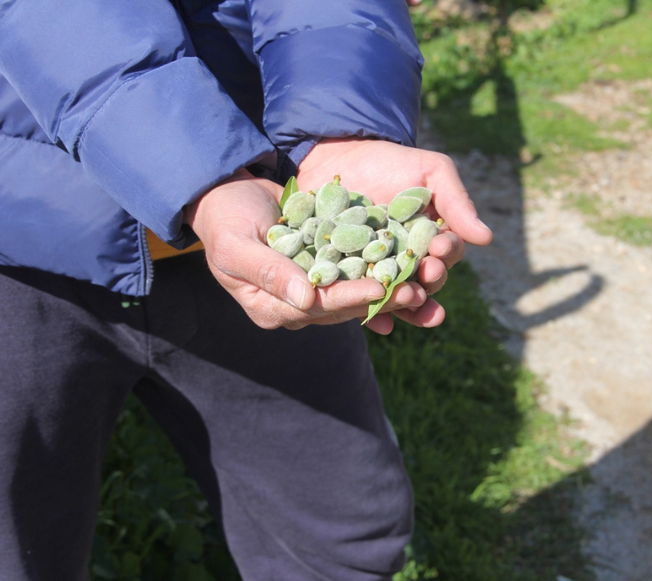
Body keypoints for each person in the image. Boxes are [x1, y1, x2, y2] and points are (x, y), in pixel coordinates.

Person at [0, 0, 492, 579]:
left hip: (263, 212)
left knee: (343, 531)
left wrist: (340, 128)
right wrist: (201, 174)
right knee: (20, 543)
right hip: (25, 248)